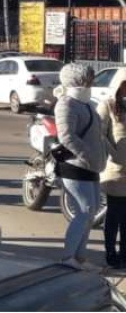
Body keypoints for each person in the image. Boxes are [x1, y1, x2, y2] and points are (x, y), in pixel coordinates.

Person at [55, 63, 106, 267]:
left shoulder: (87, 103)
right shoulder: (66, 104)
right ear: (77, 80)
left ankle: (79, 258)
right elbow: (67, 137)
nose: (91, 82)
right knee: (83, 212)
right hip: (75, 166)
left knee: (90, 214)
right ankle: (68, 257)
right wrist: (87, 156)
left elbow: (97, 134)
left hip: (91, 166)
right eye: (88, 79)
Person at [98, 80, 126, 268]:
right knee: (115, 214)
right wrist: (114, 153)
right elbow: (98, 134)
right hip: (116, 172)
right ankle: (110, 252)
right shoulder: (108, 105)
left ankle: (125, 254)